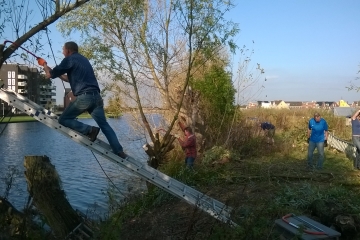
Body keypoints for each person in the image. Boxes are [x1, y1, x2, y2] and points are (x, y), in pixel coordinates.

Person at [38, 41, 127, 159]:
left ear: (68, 50)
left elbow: (49, 75)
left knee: (64, 119)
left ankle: (90, 130)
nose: (63, 52)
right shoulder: (84, 60)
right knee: (105, 125)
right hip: (96, 97)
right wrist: (56, 73)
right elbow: (68, 79)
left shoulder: (69, 59)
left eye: (63, 50)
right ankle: (119, 151)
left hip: (85, 97)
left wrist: (44, 64)